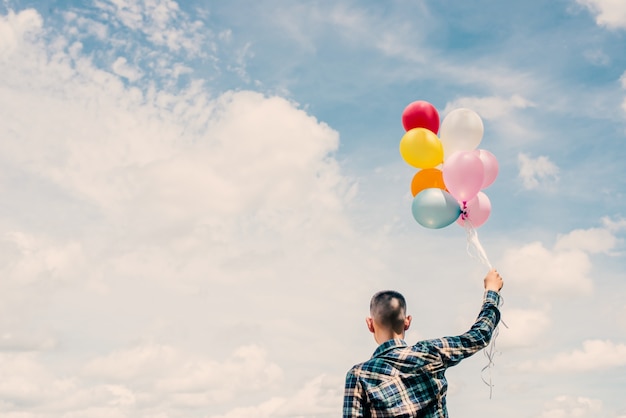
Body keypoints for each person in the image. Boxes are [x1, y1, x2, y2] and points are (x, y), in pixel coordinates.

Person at [343, 269, 503, 417]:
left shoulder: (358, 376)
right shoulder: (431, 352)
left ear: (370, 324)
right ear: (407, 321)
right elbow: (479, 335)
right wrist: (492, 291)